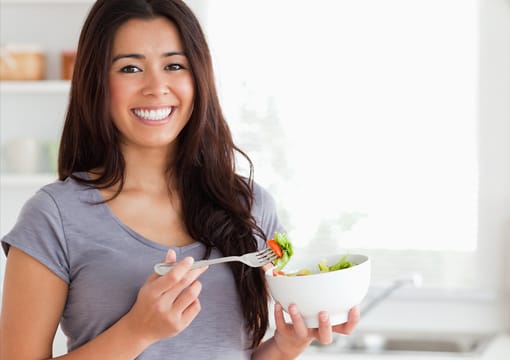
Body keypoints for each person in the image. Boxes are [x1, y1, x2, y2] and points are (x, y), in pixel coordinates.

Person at [0, 0, 359, 358]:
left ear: (199, 77)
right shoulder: (54, 217)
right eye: (130, 68)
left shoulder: (248, 205)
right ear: (96, 81)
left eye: (174, 65)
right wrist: (136, 331)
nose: (157, 87)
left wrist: (285, 346)